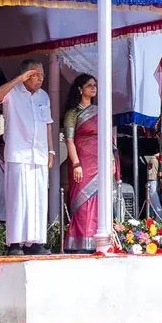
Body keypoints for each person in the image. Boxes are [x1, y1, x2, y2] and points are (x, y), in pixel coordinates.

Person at [0, 60, 54, 253]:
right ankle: (15, 243)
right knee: (18, 199)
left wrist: (51, 151)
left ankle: (36, 242)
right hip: (18, 153)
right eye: (35, 75)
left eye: (42, 75)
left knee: (38, 198)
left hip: (39, 153)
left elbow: (48, 124)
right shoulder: (12, 93)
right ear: (26, 75)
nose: (40, 79)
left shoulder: (43, 96)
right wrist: (19, 79)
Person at [60, 73, 115, 252]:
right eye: (90, 85)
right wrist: (75, 163)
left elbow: (108, 139)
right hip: (82, 161)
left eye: (95, 85)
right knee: (82, 203)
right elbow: (69, 140)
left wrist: (112, 160)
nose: (93, 88)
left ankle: (98, 241)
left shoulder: (101, 112)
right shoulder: (73, 113)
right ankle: (80, 243)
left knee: (101, 200)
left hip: (100, 161)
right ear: (80, 89)